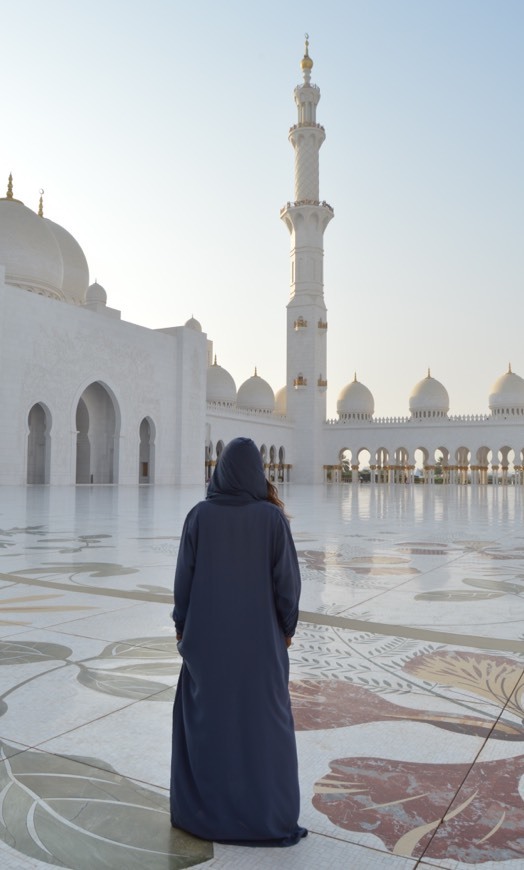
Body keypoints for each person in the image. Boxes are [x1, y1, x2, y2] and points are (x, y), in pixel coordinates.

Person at [170, 437, 307, 847]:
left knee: (209, 724)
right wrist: (284, 632)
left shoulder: (199, 516)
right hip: (260, 647)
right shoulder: (271, 520)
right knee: (263, 727)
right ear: (256, 473)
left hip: (206, 645)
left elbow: (183, 586)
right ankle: (266, 817)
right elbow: (288, 587)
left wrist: (184, 631)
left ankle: (202, 814)